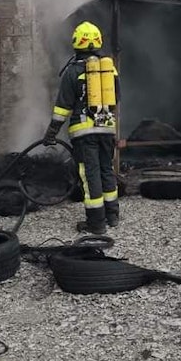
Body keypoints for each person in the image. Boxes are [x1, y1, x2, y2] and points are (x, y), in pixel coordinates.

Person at [42, 21, 120, 235]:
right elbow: (116, 98)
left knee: (90, 174)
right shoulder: (109, 69)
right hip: (107, 129)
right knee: (107, 170)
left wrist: (51, 134)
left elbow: (62, 108)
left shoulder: (73, 71)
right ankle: (112, 215)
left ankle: (96, 223)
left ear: (77, 42)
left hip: (84, 134)